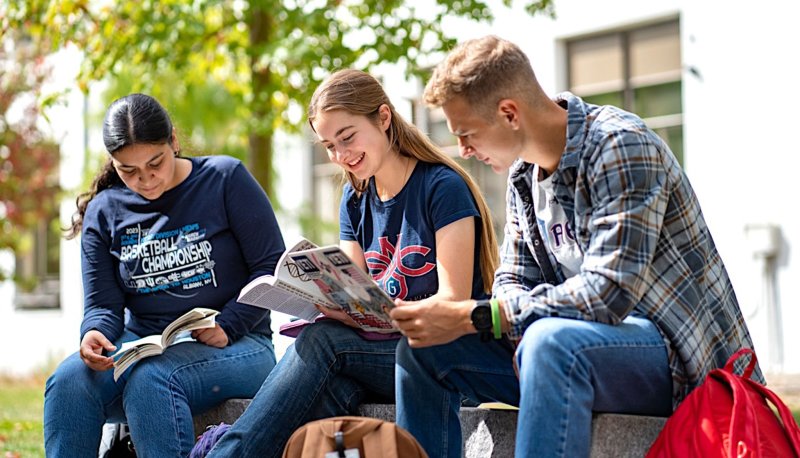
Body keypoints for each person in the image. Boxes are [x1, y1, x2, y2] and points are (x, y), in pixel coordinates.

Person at [390, 35, 762, 458]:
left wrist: (483, 315)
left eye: (468, 134)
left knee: (550, 342)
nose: (464, 151)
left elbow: (609, 294)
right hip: (564, 346)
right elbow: (513, 276)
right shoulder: (523, 177)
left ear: (509, 112)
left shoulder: (620, 146)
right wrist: (497, 320)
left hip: (674, 360)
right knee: (423, 349)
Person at [204, 68, 499, 457]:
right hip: (375, 356)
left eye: (347, 138)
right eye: (328, 145)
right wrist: (336, 307)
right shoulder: (355, 198)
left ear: (383, 118)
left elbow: (452, 303)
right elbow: (354, 289)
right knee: (330, 394)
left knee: (323, 342)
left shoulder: (441, 187)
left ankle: (227, 453)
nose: (341, 156)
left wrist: (386, 315)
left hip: (439, 358)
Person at [43, 93, 286, 457]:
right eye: (128, 170)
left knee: (150, 378)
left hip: (240, 346)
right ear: (113, 162)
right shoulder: (104, 211)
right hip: (141, 343)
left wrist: (231, 324)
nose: (145, 179)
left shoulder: (225, 180)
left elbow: (273, 269)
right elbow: (103, 306)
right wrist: (94, 333)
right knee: (68, 381)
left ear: (173, 140)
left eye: (155, 163)